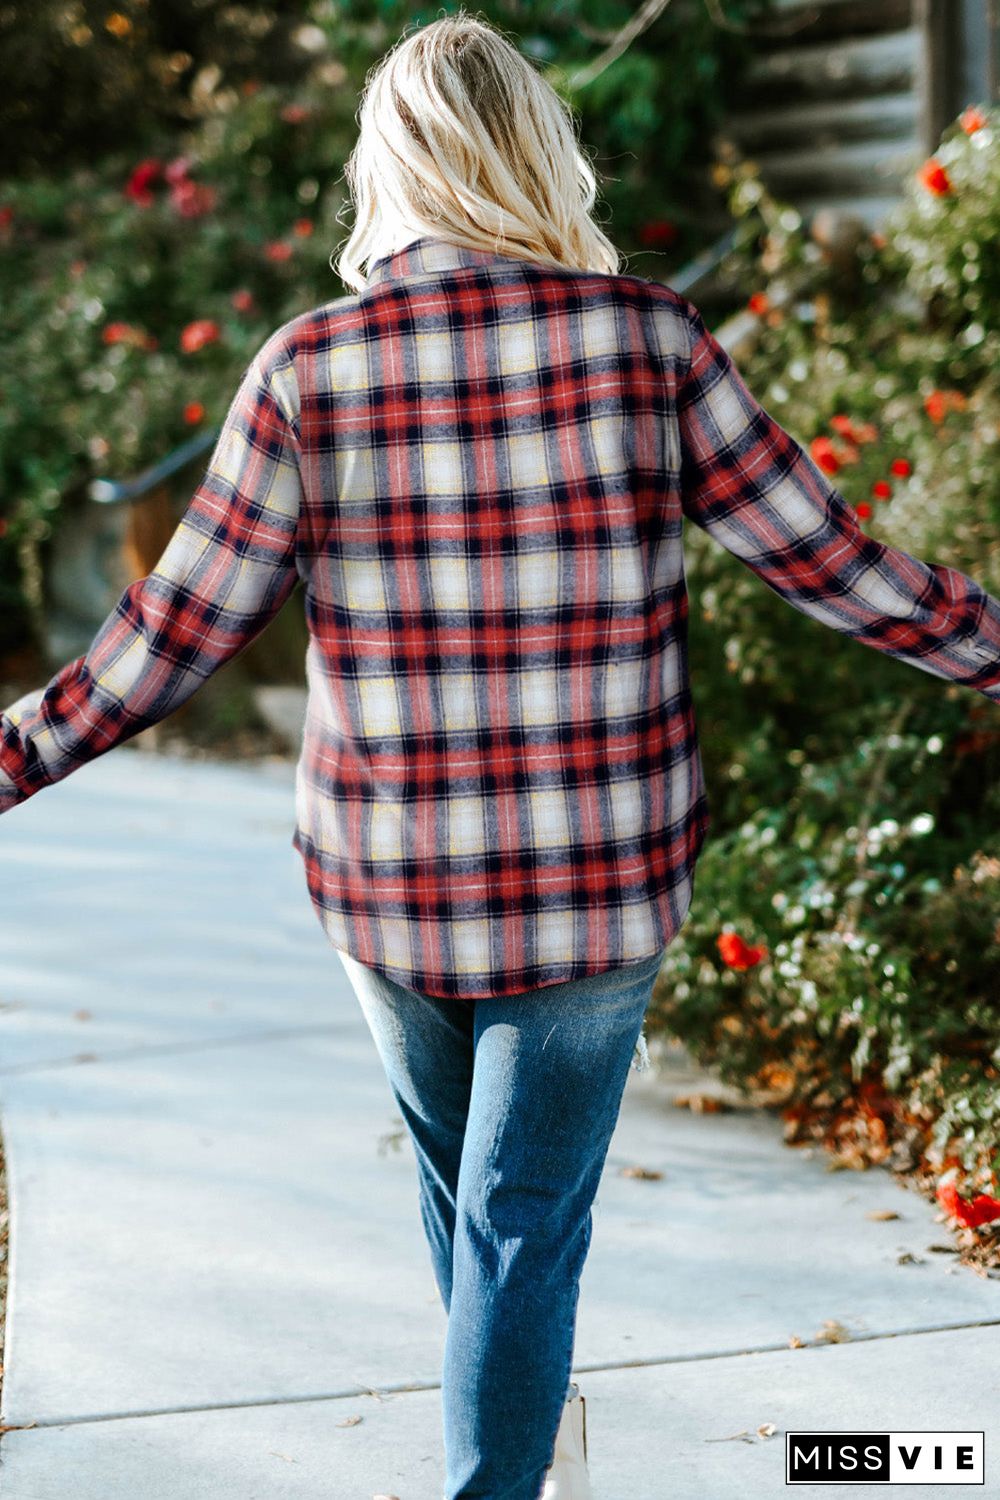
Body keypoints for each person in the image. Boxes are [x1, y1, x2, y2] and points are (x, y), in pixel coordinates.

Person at [2, 12, 999, 1499]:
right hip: (595, 879)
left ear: (384, 166)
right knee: (519, 1220)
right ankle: (511, 1456)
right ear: (539, 152)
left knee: (479, 1206)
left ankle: (511, 1449)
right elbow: (828, 561)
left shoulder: (309, 370)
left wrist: (12, 756)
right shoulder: (648, 342)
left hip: (392, 883)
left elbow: (175, 633)